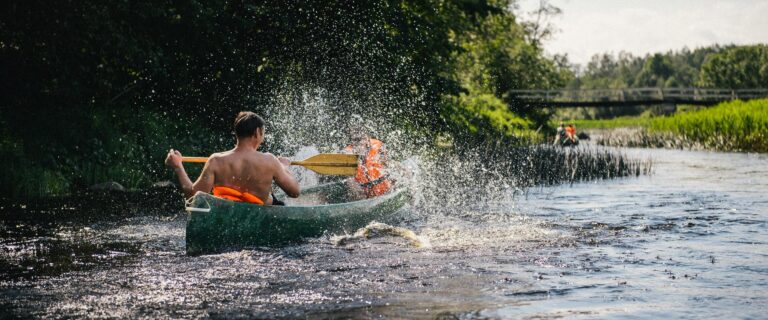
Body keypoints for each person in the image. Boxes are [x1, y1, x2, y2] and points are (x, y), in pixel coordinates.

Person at [164, 111, 300, 205]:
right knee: (275, 201)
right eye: (263, 133)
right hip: (260, 215)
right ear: (257, 132)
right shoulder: (270, 161)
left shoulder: (216, 160)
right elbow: (294, 192)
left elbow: (192, 197)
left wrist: (178, 166)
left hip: (227, 215)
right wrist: (284, 166)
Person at [343, 128, 392, 198]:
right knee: (349, 181)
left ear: (367, 138)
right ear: (352, 142)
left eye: (360, 139)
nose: (359, 143)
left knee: (395, 167)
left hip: (386, 189)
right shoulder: (348, 153)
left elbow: (389, 165)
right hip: (365, 194)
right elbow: (349, 179)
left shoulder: (378, 146)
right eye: (355, 140)